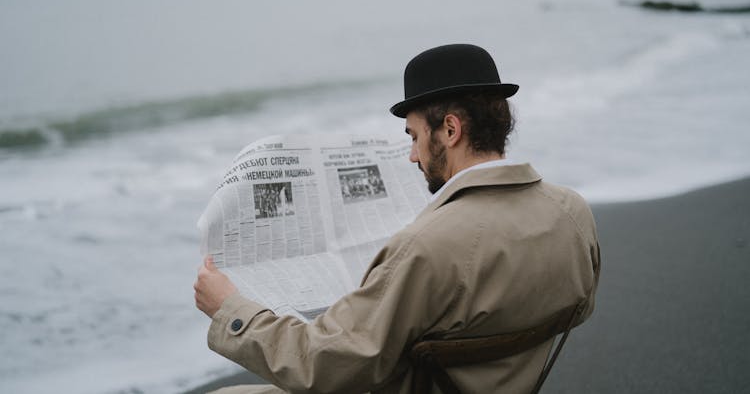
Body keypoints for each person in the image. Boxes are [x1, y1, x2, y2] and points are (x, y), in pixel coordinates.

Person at [194, 44, 600, 394]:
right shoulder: (573, 213)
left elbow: (321, 365)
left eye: (413, 136)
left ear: (451, 130)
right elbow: (579, 310)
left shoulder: (425, 248)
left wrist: (230, 311)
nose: (411, 155)